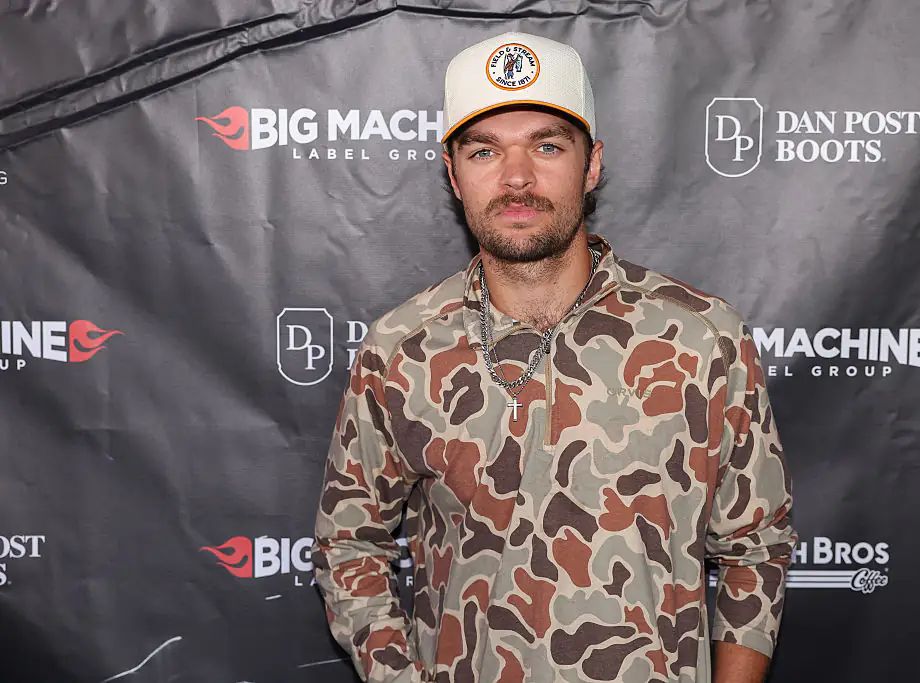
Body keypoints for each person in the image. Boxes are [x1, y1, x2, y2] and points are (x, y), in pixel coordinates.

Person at [313, 31, 796, 683]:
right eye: (485, 150)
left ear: (591, 165)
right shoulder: (402, 349)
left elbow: (755, 549)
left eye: (547, 146)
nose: (517, 177)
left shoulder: (702, 337)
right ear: (453, 173)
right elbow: (349, 543)